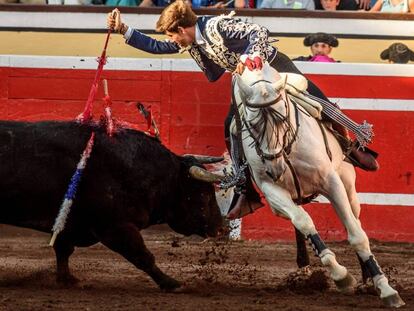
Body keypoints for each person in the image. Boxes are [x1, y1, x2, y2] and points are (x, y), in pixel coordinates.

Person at [107, 1, 378, 217]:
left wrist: (249, 59)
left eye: (172, 35)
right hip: (245, 82)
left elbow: (258, 32)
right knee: (231, 127)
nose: (172, 41)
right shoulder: (193, 41)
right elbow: (158, 47)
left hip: (273, 67)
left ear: (181, 29)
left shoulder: (216, 25)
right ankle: (245, 184)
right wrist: (124, 30)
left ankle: (349, 146)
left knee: (316, 100)